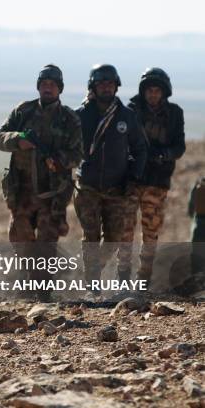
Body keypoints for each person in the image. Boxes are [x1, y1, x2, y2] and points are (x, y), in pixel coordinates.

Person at [0, 64, 82, 301]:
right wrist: (18, 139)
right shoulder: (23, 112)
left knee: (46, 244)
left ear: (60, 89)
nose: (48, 88)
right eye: (44, 84)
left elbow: (78, 154)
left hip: (52, 194)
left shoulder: (69, 119)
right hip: (21, 192)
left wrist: (60, 161)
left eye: (53, 85)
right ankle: (24, 291)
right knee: (21, 239)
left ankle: (43, 293)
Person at [74, 64, 147, 292]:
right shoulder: (80, 116)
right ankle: (92, 283)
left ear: (116, 86)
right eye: (101, 83)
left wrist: (134, 177)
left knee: (114, 237)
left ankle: (92, 271)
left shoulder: (127, 117)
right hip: (87, 187)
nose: (106, 87)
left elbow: (141, 149)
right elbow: (66, 146)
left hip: (117, 188)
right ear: (93, 87)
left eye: (110, 83)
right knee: (91, 236)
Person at [123, 68, 185, 287]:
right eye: (149, 90)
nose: (153, 94)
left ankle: (143, 280)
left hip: (157, 180)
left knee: (151, 232)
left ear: (164, 91)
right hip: (132, 179)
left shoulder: (175, 113)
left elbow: (179, 146)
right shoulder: (130, 110)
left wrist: (163, 154)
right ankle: (122, 278)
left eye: (157, 90)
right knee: (125, 230)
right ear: (144, 91)